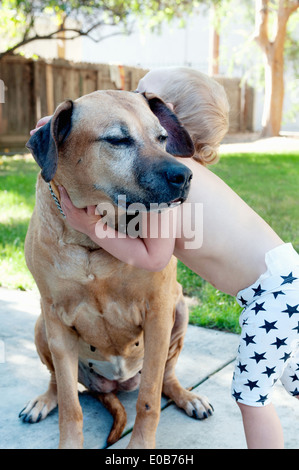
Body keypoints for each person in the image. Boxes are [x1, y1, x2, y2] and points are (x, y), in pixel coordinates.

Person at [32, 67, 299, 449]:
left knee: (252, 398)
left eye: (142, 95)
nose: (131, 98)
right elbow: (81, 127)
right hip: (284, 280)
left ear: (167, 119)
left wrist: (93, 229)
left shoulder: (169, 180)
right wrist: (54, 130)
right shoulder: (185, 171)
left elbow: (154, 258)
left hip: (270, 298)